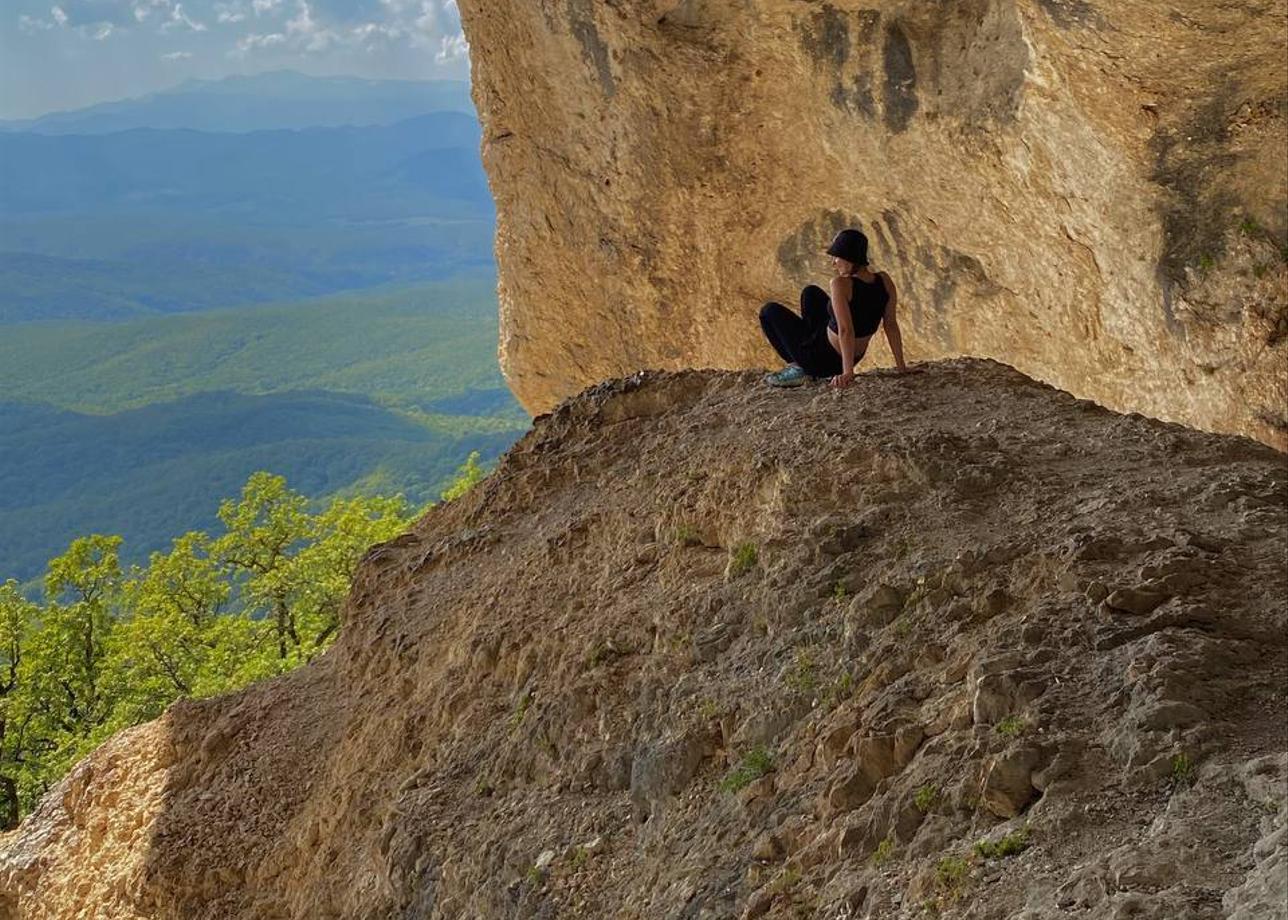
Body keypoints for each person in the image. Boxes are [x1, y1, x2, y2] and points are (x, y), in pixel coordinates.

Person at [759, 228, 907, 388]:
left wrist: (847, 373)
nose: (834, 263)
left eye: (836, 258)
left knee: (768, 311)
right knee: (810, 293)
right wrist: (901, 367)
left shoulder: (841, 284)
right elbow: (890, 325)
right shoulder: (884, 280)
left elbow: (845, 330)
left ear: (848, 259)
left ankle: (798, 367)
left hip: (821, 359)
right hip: (849, 354)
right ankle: (808, 350)